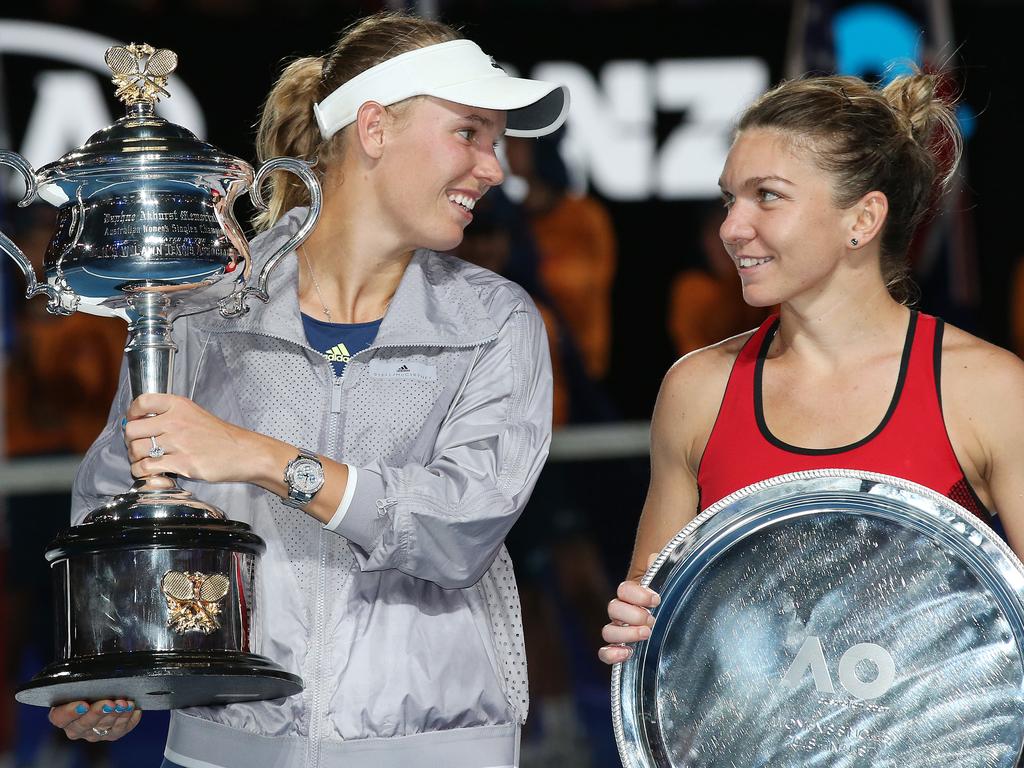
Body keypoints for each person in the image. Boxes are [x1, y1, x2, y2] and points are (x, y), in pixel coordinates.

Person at [46, 12, 569, 767]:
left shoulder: (497, 320)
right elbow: (113, 492)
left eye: (496, 142)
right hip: (227, 746)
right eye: (471, 133)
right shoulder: (203, 304)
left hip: (437, 747)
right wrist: (114, 655)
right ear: (375, 128)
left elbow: (462, 528)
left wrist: (261, 458)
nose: (495, 168)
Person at [599, 70, 1024, 665]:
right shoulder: (697, 390)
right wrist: (637, 630)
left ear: (863, 219)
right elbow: (661, 644)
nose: (731, 227)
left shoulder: (989, 389)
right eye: (730, 199)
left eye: (767, 195)